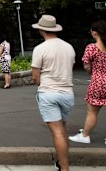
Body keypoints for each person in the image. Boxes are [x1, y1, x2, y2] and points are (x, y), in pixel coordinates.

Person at [31, 15, 75, 171]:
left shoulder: (40, 49)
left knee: (57, 133)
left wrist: (40, 84)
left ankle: (65, 168)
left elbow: (35, 76)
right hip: (67, 93)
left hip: (49, 92)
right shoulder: (68, 47)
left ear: (41, 29)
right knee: (62, 130)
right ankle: (61, 161)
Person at [69, 20, 106, 144]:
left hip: (98, 81)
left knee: (92, 112)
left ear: (95, 33)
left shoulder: (92, 48)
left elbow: (86, 66)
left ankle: (85, 135)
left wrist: (93, 73)